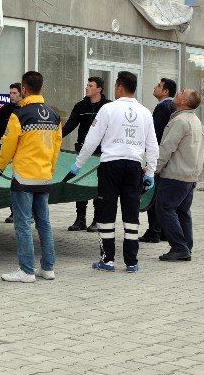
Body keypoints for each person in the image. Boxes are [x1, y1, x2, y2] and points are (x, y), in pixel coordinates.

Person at [71, 71, 159, 273]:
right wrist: (150, 173)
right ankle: (131, 261)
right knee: (131, 214)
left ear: (119, 87)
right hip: (133, 167)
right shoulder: (145, 113)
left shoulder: (108, 109)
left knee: (106, 212)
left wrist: (79, 164)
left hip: (111, 166)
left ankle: (108, 260)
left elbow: (91, 140)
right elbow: (152, 147)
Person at [0, 71, 62, 283]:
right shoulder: (54, 115)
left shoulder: (19, 115)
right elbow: (56, 148)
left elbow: (8, 147)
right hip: (44, 176)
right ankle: (48, 268)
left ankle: (26, 271)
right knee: (44, 223)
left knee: (22, 224)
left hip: (23, 178)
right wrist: (49, 170)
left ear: (24, 89)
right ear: (41, 88)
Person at [154, 89, 204, 262]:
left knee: (164, 209)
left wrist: (153, 168)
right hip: (190, 175)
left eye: (182, 92)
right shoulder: (194, 120)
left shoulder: (181, 121)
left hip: (175, 175)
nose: (179, 91)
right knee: (183, 211)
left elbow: (167, 148)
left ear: (184, 102)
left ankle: (179, 247)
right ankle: (186, 246)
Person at [62, 77, 111, 232]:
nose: (87, 88)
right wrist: (55, 139)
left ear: (99, 89)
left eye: (90, 86)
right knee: (80, 184)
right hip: (83, 153)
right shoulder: (80, 106)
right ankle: (80, 219)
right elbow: (69, 125)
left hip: (101, 154)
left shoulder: (108, 106)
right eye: (87, 85)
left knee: (98, 187)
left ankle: (97, 220)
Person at [139, 78, 177, 243]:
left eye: (159, 86)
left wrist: (149, 158)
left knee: (153, 194)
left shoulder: (163, 107)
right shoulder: (172, 107)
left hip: (159, 158)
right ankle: (161, 231)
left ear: (166, 91)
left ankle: (154, 231)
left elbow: (154, 134)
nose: (155, 87)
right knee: (161, 195)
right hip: (167, 158)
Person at [0, 82, 21, 224]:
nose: (12, 96)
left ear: (21, 93)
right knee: (12, 182)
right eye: (10, 93)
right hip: (8, 150)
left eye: (15, 93)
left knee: (21, 181)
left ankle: (26, 212)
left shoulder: (26, 109)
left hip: (23, 152)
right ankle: (14, 211)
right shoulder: (5, 110)